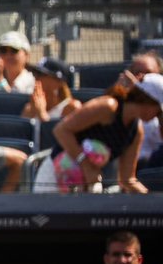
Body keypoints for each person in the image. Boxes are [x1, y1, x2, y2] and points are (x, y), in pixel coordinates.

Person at [33, 73, 163, 194]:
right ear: (148, 101)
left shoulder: (136, 131)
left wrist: (151, 200)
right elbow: (61, 130)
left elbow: (127, 179)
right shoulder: (108, 107)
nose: (158, 117)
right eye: (158, 112)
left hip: (87, 185)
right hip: (55, 175)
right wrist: (85, 164)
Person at [22, 57, 81, 122]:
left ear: (59, 82)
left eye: (41, 74)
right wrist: (32, 112)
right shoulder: (30, 108)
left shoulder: (72, 108)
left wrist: (42, 114)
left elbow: (60, 131)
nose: (36, 78)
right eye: (34, 73)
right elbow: (21, 131)